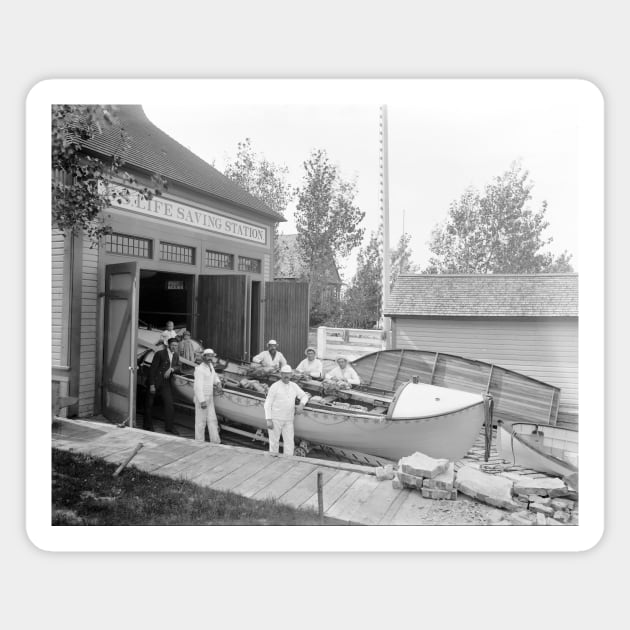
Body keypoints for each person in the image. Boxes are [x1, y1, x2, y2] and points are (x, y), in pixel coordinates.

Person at [263, 365, 309, 456]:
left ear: (291, 375)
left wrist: (301, 405)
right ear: (281, 374)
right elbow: (267, 403)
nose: (286, 376)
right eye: (284, 374)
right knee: (274, 442)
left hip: (289, 419)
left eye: (288, 374)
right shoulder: (275, 386)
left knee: (289, 443)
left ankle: (288, 461)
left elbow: (304, 396)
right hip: (275, 418)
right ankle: (272, 460)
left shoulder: (294, 386)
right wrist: (268, 419)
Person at [144, 336, 180, 435]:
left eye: (176, 345)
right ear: (168, 345)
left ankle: (169, 427)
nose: (174, 347)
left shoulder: (176, 355)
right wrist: (151, 384)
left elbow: (179, 366)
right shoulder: (160, 353)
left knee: (169, 404)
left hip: (165, 383)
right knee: (149, 404)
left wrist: (171, 369)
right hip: (155, 381)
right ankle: (147, 425)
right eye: (173, 345)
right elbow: (152, 370)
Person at [193, 348, 223, 443]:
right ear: (204, 357)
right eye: (208, 356)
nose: (210, 358)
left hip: (210, 397)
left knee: (212, 420)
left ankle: (215, 441)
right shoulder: (199, 369)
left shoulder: (210, 366)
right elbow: (197, 387)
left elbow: (214, 377)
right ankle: (199, 441)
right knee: (200, 422)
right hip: (202, 398)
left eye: (212, 356)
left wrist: (218, 383)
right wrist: (202, 401)